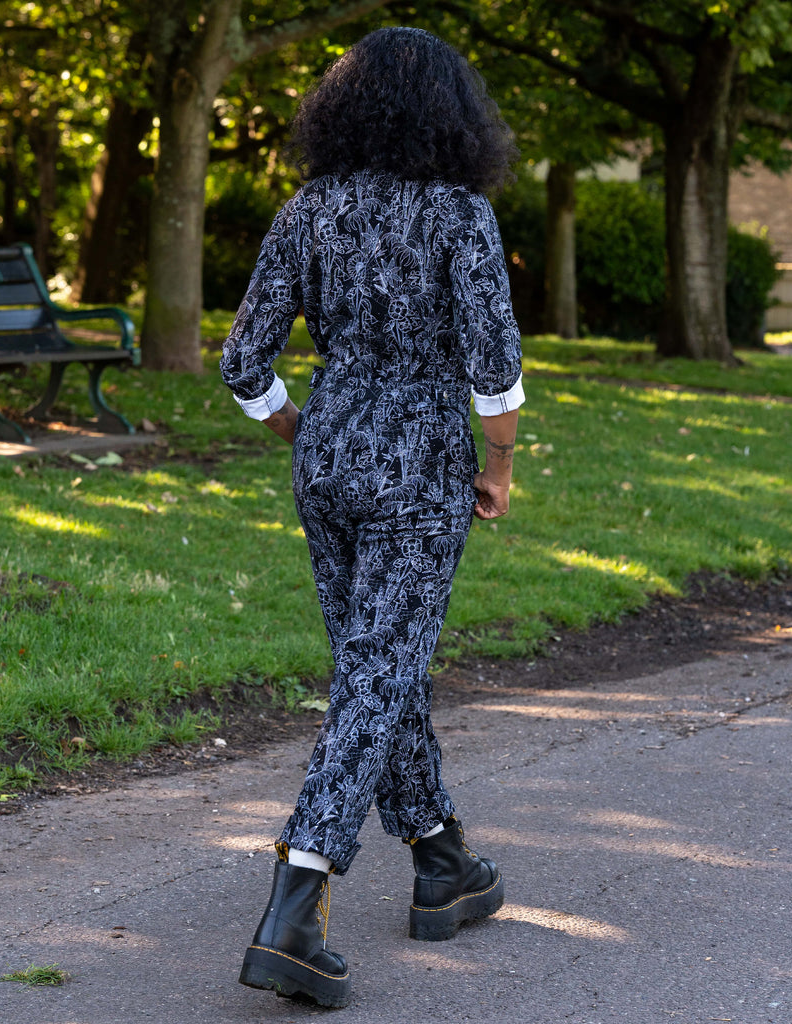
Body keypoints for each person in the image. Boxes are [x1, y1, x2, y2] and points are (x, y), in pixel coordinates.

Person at [220, 26, 523, 1008]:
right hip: (420, 465)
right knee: (379, 665)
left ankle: (442, 859)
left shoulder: (307, 210)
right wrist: (500, 467)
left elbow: (242, 362)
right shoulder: (461, 214)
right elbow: (494, 370)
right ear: (453, 117)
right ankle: (295, 904)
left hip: (327, 461)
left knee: (375, 659)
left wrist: (304, 428)